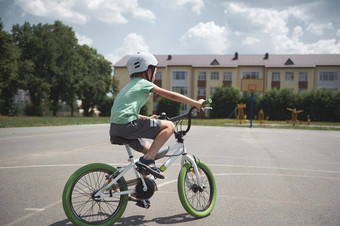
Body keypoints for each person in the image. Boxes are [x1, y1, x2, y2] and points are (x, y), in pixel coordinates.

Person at [110, 52, 203, 179]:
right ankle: (147, 160)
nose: (154, 75)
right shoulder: (143, 83)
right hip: (127, 125)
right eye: (155, 72)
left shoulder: (130, 86)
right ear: (148, 70)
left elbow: (125, 112)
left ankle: (140, 190)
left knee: (151, 151)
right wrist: (196, 103)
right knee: (169, 126)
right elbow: (172, 95)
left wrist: (147, 118)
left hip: (117, 127)